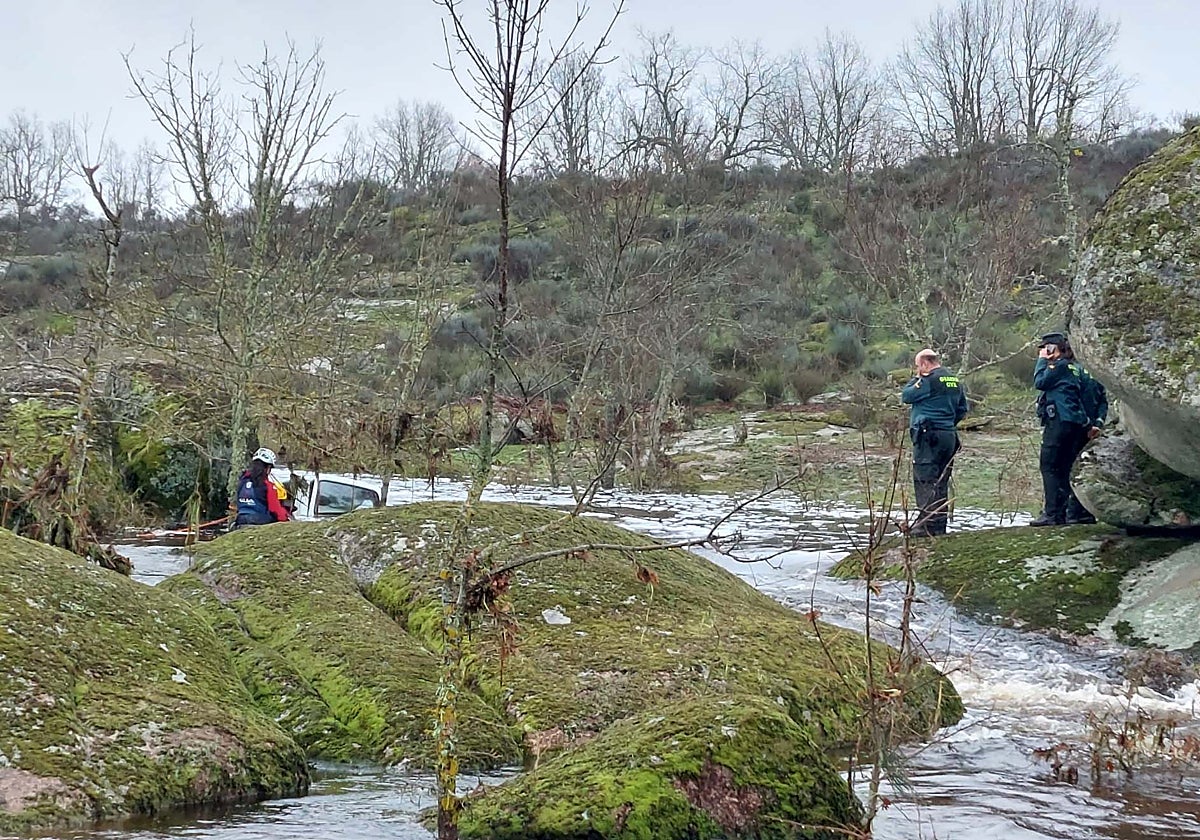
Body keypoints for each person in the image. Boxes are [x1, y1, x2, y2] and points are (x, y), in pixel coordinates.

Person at [901, 348, 970, 537]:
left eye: (918, 366)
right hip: (949, 436)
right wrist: (948, 424)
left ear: (924, 364)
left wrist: (918, 378)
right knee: (941, 480)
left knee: (925, 479)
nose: (917, 369)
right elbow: (963, 409)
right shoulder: (955, 380)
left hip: (929, 437)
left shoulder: (928, 380)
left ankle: (926, 525)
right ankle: (939, 524)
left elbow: (906, 396)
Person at [1032, 333, 1089, 526]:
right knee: (1064, 467)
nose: (1043, 352)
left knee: (1049, 466)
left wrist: (1042, 361)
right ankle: (1062, 512)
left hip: (1059, 421)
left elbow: (1040, 382)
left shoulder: (1059, 366)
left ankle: (1052, 514)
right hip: (1074, 422)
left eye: (1046, 348)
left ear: (1053, 348)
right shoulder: (1074, 367)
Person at [1061, 340, 1109, 525]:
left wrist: (1089, 424)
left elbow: (1073, 400)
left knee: (1068, 467)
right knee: (1082, 466)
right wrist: (1098, 422)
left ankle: (1073, 512)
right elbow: (1103, 400)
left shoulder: (1071, 370)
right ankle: (1081, 511)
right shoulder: (1095, 372)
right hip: (1090, 425)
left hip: (1076, 426)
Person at [234, 447, 290, 527]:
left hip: (241, 520)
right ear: (267, 468)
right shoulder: (268, 486)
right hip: (260, 521)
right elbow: (276, 510)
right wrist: (286, 518)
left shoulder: (242, 482)